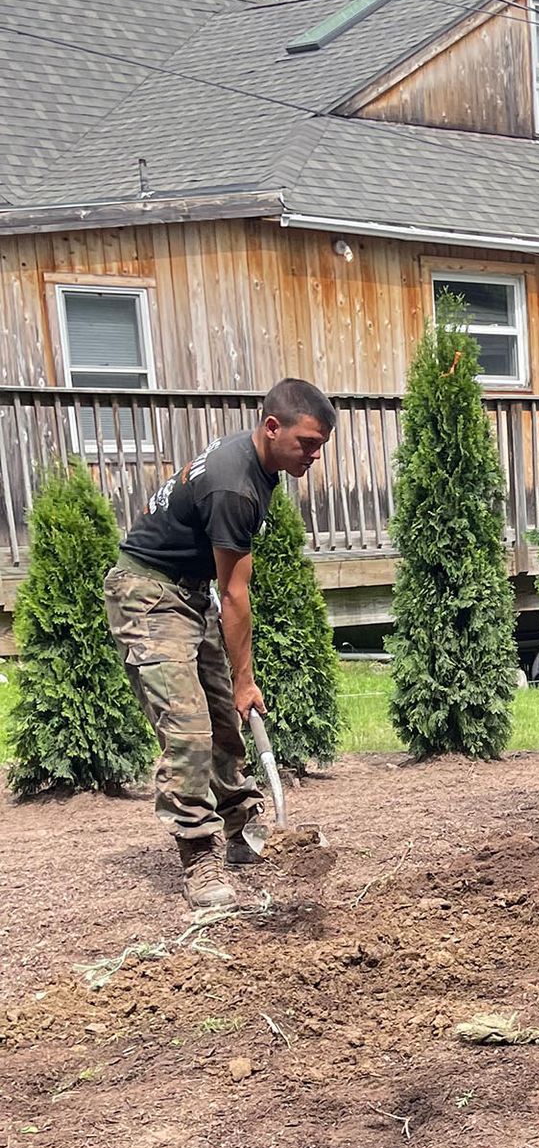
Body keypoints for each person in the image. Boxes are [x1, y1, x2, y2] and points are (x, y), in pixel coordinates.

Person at [105, 378, 336, 907]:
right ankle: (199, 857)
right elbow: (234, 594)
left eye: (320, 445)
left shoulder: (258, 464)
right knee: (187, 730)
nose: (314, 455)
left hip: (185, 591)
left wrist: (233, 686)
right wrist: (245, 678)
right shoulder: (236, 484)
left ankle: (240, 830)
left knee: (222, 720)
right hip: (146, 595)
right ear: (272, 427)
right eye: (307, 443)